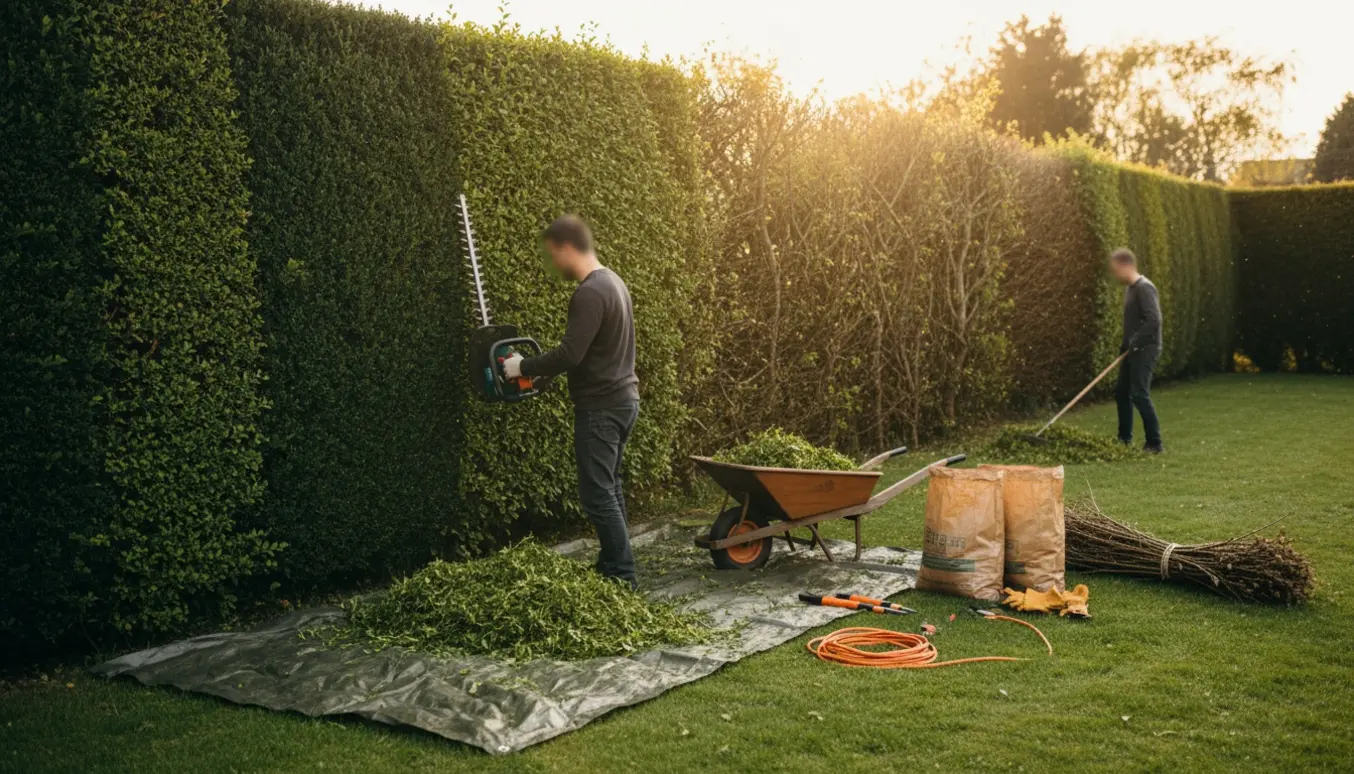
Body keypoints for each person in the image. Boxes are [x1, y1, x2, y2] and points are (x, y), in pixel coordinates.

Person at [502, 215, 641, 587]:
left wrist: (521, 366)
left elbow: (570, 354)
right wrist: (540, 377)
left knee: (597, 494)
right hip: (624, 401)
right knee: (609, 486)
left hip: (602, 407)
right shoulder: (614, 282)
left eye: (552, 255)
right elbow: (592, 352)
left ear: (566, 248)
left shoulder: (589, 292)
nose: (553, 265)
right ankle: (614, 564)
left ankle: (622, 575)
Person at [1109, 247, 1164, 453]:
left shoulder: (1144, 288)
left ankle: (1154, 442)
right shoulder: (1130, 289)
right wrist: (1126, 344)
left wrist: (1136, 342)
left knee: (1139, 393)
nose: (1115, 274)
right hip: (1132, 349)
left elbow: (1154, 319)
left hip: (1146, 349)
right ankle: (1124, 439)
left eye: (1116, 270)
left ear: (1127, 265)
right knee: (1122, 392)